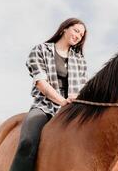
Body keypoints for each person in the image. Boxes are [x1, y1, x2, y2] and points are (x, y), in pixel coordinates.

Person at [10, 18, 88, 171]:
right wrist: (62, 101)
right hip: (44, 106)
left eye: (81, 35)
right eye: (76, 30)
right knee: (27, 142)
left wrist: (76, 99)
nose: (78, 36)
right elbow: (41, 83)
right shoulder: (40, 50)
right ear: (64, 29)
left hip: (72, 109)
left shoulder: (80, 60)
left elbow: (83, 88)